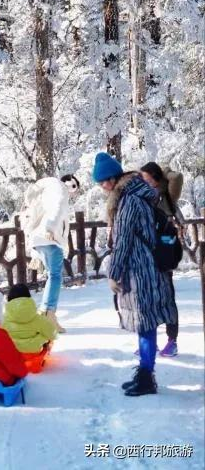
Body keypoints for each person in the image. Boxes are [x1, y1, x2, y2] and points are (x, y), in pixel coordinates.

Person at [92, 151, 177, 396]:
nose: (102, 187)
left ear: (110, 179)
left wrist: (113, 273)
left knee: (145, 323)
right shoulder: (136, 194)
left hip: (141, 269)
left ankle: (147, 377)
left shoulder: (129, 200)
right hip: (145, 266)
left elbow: (123, 240)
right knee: (145, 323)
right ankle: (145, 372)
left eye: (102, 182)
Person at [20, 173, 80, 333]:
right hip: (50, 237)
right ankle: (49, 312)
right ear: (71, 184)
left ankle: (45, 311)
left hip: (37, 238)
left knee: (51, 275)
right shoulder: (60, 190)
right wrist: (50, 228)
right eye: (74, 189)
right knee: (55, 275)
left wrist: (34, 252)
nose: (73, 194)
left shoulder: (45, 189)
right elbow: (58, 208)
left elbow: (31, 211)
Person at [140, 161, 184, 357]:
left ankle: (172, 340)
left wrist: (163, 173)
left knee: (167, 296)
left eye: (147, 178)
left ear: (156, 178)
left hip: (164, 250)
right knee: (149, 298)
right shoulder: (144, 196)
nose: (144, 181)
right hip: (149, 251)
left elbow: (177, 177)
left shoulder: (167, 193)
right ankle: (151, 341)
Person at [2, 283, 56, 372]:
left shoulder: (3, 319)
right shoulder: (38, 319)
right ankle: (36, 361)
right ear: (28, 297)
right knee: (47, 334)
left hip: (11, 354)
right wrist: (42, 338)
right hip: (33, 354)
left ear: (9, 298)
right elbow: (53, 334)